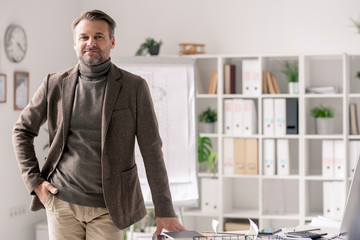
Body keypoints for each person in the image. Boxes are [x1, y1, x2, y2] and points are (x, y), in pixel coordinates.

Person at [12, 9, 186, 240]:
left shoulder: (134, 88)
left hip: (109, 208)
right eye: (84, 37)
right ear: (75, 43)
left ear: (112, 42)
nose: (90, 43)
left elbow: (152, 151)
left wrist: (165, 211)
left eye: (99, 36)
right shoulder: (54, 83)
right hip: (62, 202)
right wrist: (35, 181)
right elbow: (22, 131)